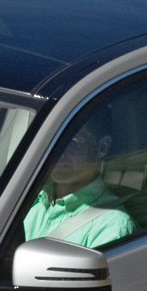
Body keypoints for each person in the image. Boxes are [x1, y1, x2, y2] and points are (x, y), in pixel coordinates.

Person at [21, 105, 135, 249]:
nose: (57, 152)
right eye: (53, 141)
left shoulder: (111, 227)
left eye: (73, 142)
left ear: (102, 147)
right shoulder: (25, 196)